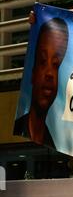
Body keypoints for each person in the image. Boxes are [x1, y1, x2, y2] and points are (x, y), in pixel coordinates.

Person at [14, 18, 69, 147]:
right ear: (33, 72)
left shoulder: (56, 142)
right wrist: (35, 18)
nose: (49, 74)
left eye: (56, 64)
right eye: (43, 61)